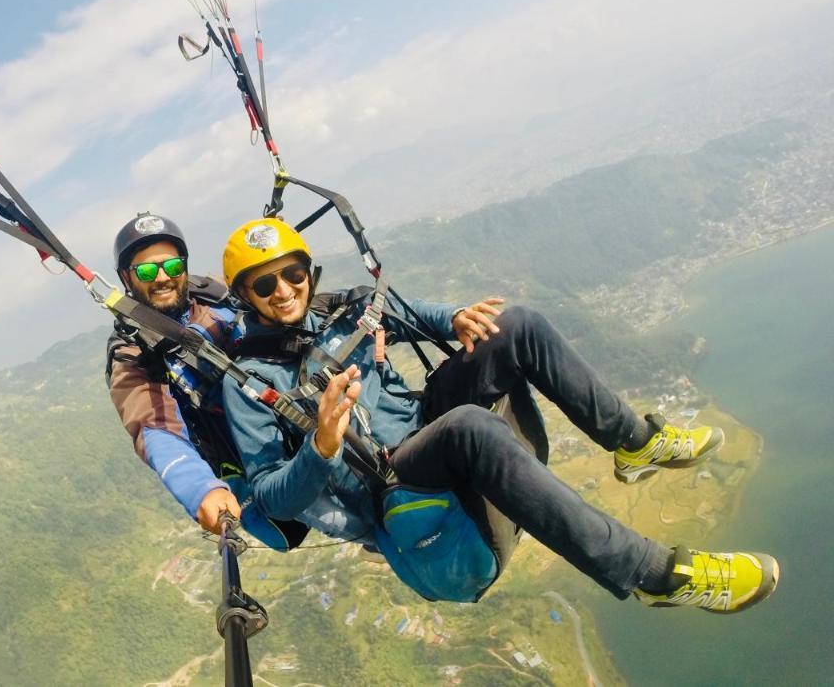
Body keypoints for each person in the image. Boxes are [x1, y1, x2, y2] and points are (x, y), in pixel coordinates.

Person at [218, 216, 780, 613]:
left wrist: (458, 317)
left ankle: (634, 442)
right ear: (246, 297)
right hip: (387, 476)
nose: (284, 290)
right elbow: (271, 497)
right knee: (470, 429)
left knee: (516, 325)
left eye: (293, 274)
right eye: (265, 284)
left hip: (425, 424)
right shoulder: (248, 382)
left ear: (308, 273)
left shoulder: (346, 310)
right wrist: (321, 446)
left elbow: (419, 313)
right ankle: (655, 576)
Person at [105, 212, 242, 535]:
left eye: (173, 266)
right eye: (148, 270)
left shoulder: (216, 296)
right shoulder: (132, 352)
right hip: (237, 453)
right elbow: (154, 426)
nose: (163, 278)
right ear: (128, 279)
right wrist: (201, 489)